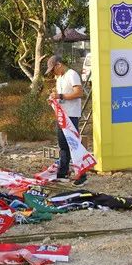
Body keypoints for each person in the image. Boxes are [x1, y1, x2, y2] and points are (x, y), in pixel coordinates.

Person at [46, 55, 85, 184]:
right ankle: (62, 172)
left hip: (71, 115)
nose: (53, 73)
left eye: (53, 70)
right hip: (62, 115)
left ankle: (82, 175)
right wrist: (54, 99)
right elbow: (61, 97)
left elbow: (79, 93)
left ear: (59, 65)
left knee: (73, 145)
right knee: (63, 145)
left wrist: (60, 95)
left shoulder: (72, 74)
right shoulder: (60, 78)